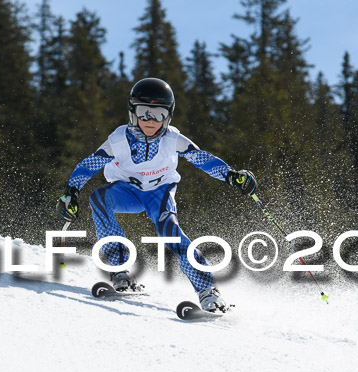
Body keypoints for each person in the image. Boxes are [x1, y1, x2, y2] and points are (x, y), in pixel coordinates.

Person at [56, 77, 257, 312]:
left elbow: (202, 158)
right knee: (99, 198)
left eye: (159, 114)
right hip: (127, 191)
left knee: (169, 232)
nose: (151, 121)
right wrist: (71, 191)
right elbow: (89, 165)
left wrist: (231, 175)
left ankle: (208, 291)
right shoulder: (119, 140)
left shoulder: (173, 139)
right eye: (144, 113)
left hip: (159, 193)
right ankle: (120, 270)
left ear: (168, 115)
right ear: (133, 113)